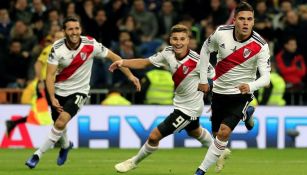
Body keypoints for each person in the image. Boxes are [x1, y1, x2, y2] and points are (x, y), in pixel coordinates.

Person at [109, 24, 230, 173]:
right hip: (182, 105)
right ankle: (220, 151)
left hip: (188, 110)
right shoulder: (167, 53)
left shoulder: (199, 61)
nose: (178, 42)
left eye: (182, 39)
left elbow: (217, 79)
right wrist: (123, 62)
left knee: (154, 137)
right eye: (175, 39)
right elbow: (146, 62)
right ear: (170, 40)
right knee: (195, 131)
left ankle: (133, 162)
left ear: (188, 41)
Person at [25, 16, 141, 169]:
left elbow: (115, 58)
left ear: (80, 29)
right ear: (64, 31)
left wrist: (131, 75)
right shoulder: (56, 48)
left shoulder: (91, 44)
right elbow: (50, 75)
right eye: (70, 29)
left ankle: (36, 155)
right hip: (58, 90)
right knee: (59, 125)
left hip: (79, 92)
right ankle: (66, 146)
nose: (74, 32)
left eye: (77, 28)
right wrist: (52, 97)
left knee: (60, 122)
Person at [195, 2, 271, 174]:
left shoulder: (260, 46)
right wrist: (203, 79)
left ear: (253, 21)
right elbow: (205, 49)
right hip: (219, 92)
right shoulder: (221, 33)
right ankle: (248, 116)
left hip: (241, 94)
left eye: (249, 19)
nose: (245, 23)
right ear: (235, 20)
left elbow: (266, 78)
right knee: (216, 135)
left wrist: (250, 85)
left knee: (223, 132)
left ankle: (200, 171)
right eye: (242, 19)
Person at [5, 31, 65, 136]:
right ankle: (58, 138)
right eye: (57, 38)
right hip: (46, 84)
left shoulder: (65, 51)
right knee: (54, 110)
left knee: (51, 111)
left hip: (57, 84)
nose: (59, 40)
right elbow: (38, 63)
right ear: (53, 39)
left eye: (61, 38)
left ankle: (14, 123)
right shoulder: (49, 49)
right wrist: (40, 80)